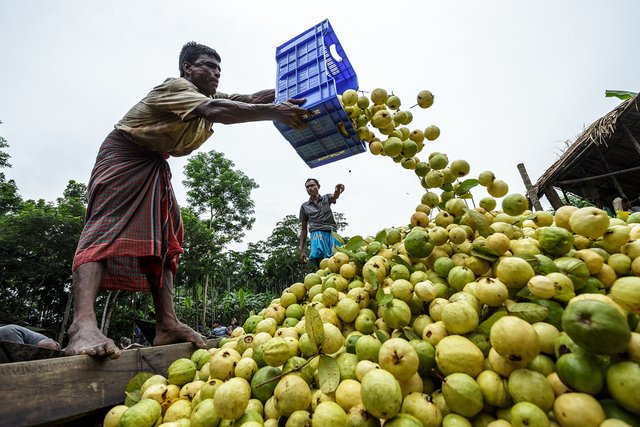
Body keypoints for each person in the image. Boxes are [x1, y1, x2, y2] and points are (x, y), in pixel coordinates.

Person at [65, 42, 310, 358]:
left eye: (219, 68)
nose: (216, 73)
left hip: (152, 164)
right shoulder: (178, 88)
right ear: (187, 68)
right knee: (103, 232)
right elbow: (217, 112)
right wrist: (277, 112)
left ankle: (166, 324)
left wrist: (296, 89)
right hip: (124, 156)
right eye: (209, 65)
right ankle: (81, 326)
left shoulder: (208, 96)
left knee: (166, 242)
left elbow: (250, 100)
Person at [299, 178, 345, 267]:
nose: (310, 188)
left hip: (331, 232)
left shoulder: (326, 198)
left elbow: (335, 196)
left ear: (318, 186)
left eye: (312, 185)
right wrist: (302, 250)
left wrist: (337, 190)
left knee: (338, 258)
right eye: (307, 187)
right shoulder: (304, 206)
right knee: (320, 258)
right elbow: (304, 229)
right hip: (316, 232)